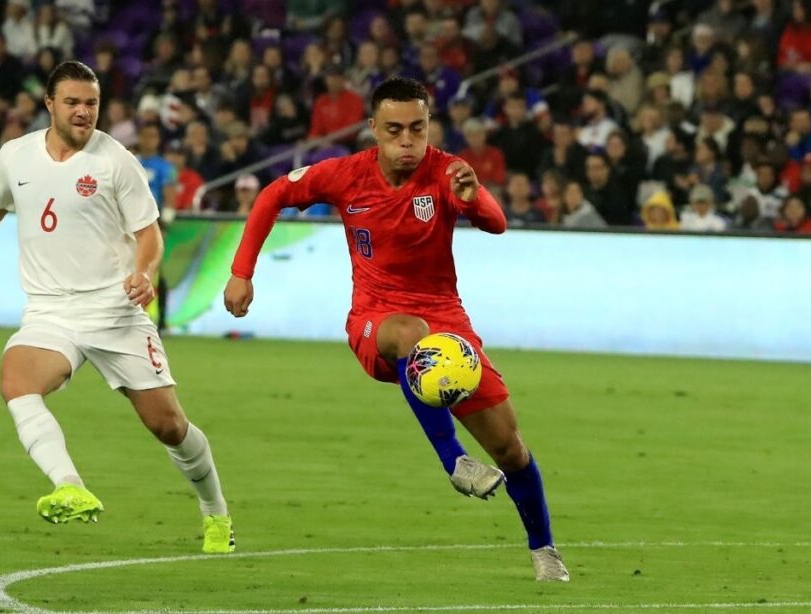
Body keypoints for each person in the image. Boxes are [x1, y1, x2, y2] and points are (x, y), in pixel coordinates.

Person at [222, 78, 569, 582]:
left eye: (416, 128)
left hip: (447, 325)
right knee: (410, 333)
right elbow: (274, 194)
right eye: (394, 130)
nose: (407, 140)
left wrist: (473, 199)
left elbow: (496, 223)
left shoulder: (447, 171)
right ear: (373, 128)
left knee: (510, 448)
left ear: (428, 126)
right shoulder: (345, 174)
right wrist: (242, 271)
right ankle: (455, 462)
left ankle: (545, 552)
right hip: (376, 320)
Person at [0, 61, 235, 553]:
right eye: (73, 102)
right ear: (50, 104)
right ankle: (69, 485)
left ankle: (215, 512)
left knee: (169, 426)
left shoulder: (116, 161)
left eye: (91, 103)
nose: (83, 112)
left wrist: (143, 273)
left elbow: (149, 233)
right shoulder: (16, 156)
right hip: (50, 309)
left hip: (114, 311)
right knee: (16, 381)